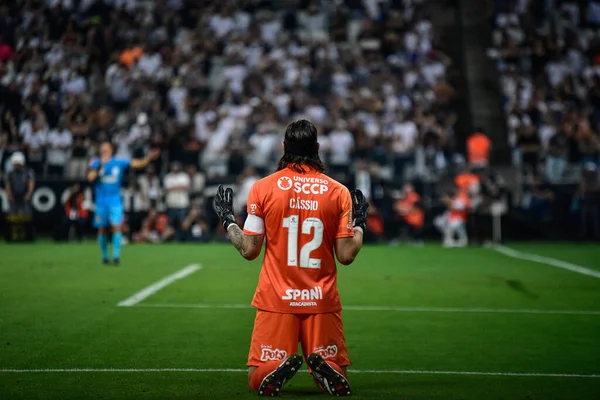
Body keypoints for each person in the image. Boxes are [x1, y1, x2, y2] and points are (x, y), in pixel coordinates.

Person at [213, 119, 368, 397]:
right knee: (335, 371)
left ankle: (278, 364)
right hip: (321, 299)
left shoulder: (263, 188)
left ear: (284, 147)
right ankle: (326, 367)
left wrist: (228, 221)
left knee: (257, 376)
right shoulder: (338, 192)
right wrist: (360, 225)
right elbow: (346, 255)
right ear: (318, 148)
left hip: (277, 298)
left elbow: (249, 249)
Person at [88, 142, 159, 265]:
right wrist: (100, 165)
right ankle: (105, 257)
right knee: (102, 229)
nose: (105, 153)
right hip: (101, 200)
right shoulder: (95, 163)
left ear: (111, 151)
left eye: (107, 150)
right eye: (103, 150)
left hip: (115, 200)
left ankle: (116, 256)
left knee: (117, 226)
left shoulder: (119, 162)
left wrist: (148, 158)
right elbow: (90, 178)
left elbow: (137, 164)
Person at [5, 152, 34, 216]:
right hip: (14, 196)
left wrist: (28, 194)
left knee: (26, 214)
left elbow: (31, 183)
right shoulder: (10, 173)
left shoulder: (28, 171)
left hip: (24, 196)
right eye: (15, 164)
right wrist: (9, 195)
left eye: (18, 164)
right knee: (12, 214)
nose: (16, 166)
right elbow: (8, 184)